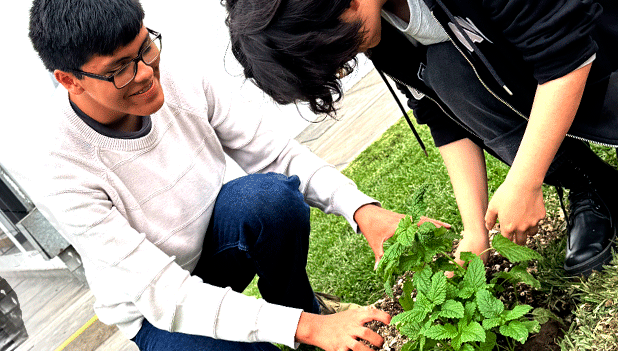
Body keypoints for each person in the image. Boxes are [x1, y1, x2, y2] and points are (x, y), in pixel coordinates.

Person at [27, 0, 448, 350]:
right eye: (119, 69)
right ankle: (306, 325)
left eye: (145, 47)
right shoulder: (60, 169)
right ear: (69, 80)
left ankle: (306, 309)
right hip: (156, 309)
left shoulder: (178, 74)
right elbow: (166, 295)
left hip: (219, 245)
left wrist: (362, 211)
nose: (145, 73)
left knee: (270, 198)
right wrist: (302, 328)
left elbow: (275, 154)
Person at [224, 0, 618, 276]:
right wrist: (475, 234)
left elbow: (566, 55)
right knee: (445, 72)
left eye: (333, 50)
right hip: (551, 77)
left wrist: (524, 181)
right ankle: (591, 185)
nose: (343, 61)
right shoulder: (377, 27)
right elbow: (442, 115)